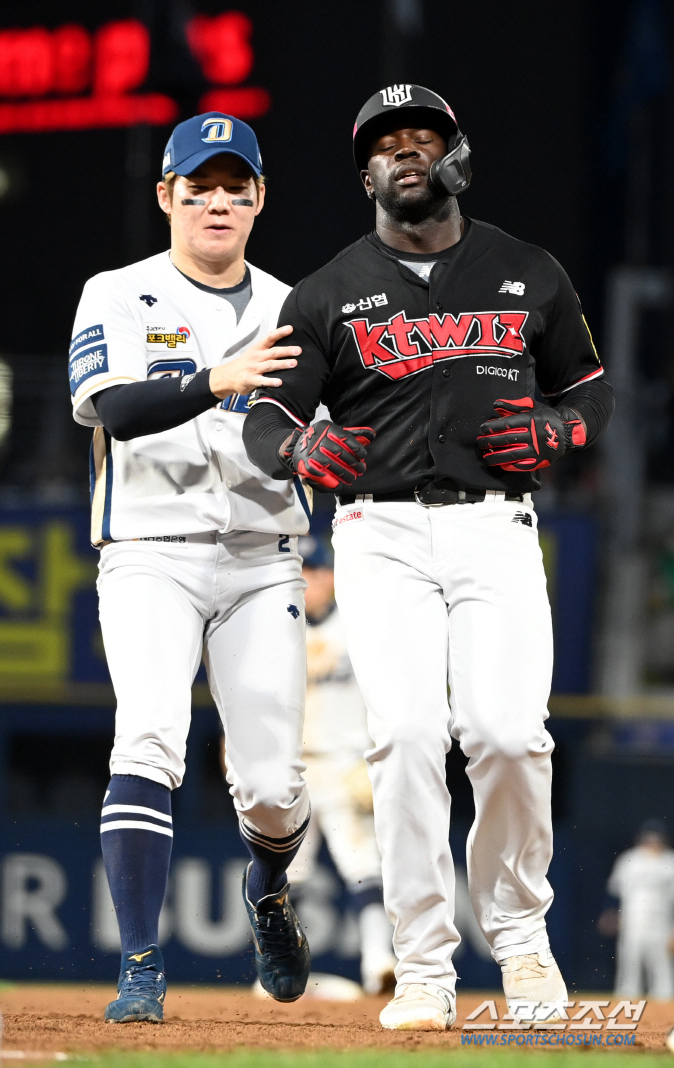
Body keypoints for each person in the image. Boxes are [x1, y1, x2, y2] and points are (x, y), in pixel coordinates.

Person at [243, 85, 614, 1030]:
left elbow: (590, 390)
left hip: (497, 527)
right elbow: (264, 419)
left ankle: (521, 938)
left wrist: (563, 429)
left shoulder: (529, 270)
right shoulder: (327, 291)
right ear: (365, 175)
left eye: (423, 137)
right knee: (405, 738)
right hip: (381, 534)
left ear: (457, 157)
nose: (405, 151)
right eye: (386, 144)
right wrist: (297, 447)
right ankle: (421, 966)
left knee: (508, 734)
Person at [69, 112, 313, 1021]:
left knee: (274, 790)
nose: (216, 202)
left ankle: (267, 889)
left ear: (259, 199)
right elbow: (112, 409)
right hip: (148, 553)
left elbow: (327, 433)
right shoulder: (116, 292)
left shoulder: (299, 306)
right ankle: (140, 962)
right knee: (147, 738)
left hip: (264, 559)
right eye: (198, 186)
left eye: (233, 187)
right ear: (166, 195)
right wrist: (216, 378)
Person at [286, 534, 396, 995]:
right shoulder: (278, 627)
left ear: (332, 576)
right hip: (291, 768)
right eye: (303, 570)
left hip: (346, 765)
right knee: (285, 874)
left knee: (363, 865)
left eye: (318, 571)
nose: (311, 579)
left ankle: (378, 961)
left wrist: (378, 757)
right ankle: (280, 970)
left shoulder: (357, 625)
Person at [601, 820, 674, 999]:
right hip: (632, 921)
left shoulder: (670, 861)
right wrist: (610, 913)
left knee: (661, 969)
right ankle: (625, 1007)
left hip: (662, 924)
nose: (652, 841)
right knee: (629, 968)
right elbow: (615, 892)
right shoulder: (629, 860)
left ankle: (664, 1011)